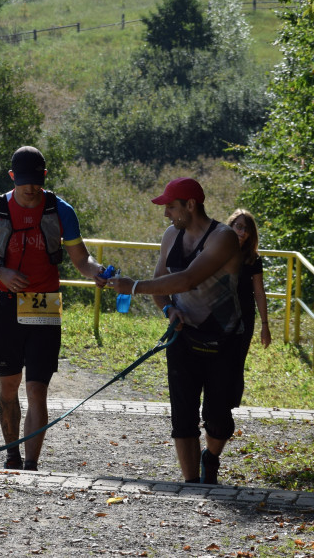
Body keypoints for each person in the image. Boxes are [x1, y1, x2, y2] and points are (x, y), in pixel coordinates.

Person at [0, 146, 110, 471]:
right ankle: (12, 454)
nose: (30, 189)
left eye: (36, 181)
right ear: (13, 177)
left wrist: (97, 271)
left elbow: (81, 259)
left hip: (46, 308)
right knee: (9, 385)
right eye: (24, 181)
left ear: (44, 177)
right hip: (7, 308)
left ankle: (31, 464)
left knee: (37, 390)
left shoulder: (60, 211)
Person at [106, 177, 243, 485]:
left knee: (218, 418)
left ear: (190, 205)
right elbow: (163, 286)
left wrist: (135, 287)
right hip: (183, 337)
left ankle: (211, 456)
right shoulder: (171, 235)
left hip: (224, 338)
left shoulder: (223, 237)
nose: (166, 214)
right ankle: (192, 484)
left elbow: (188, 280)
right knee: (183, 416)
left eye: (170, 207)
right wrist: (169, 310)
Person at [228, 208, 271, 408]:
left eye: (247, 229)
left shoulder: (254, 259)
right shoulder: (218, 251)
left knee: (237, 361)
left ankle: (231, 404)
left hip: (244, 316)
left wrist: (265, 324)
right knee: (217, 360)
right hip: (218, 313)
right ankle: (213, 404)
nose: (242, 232)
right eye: (239, 226)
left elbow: (259, 292)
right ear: (231, 226)